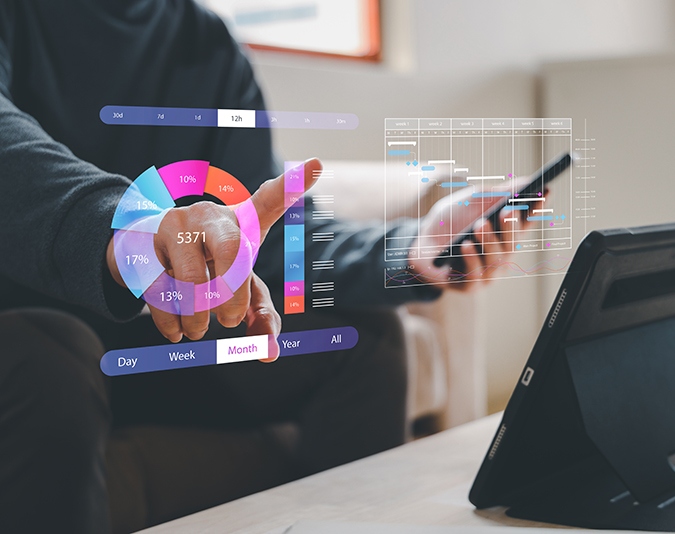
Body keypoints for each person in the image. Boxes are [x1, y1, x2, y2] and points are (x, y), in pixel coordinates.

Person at [0, 1, 529, 533]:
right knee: (53, 351)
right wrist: (121, 229)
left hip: (146, 340)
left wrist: (410, 250)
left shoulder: (202, 39)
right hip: (31, 331)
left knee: (362, 338)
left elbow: (273, 240)